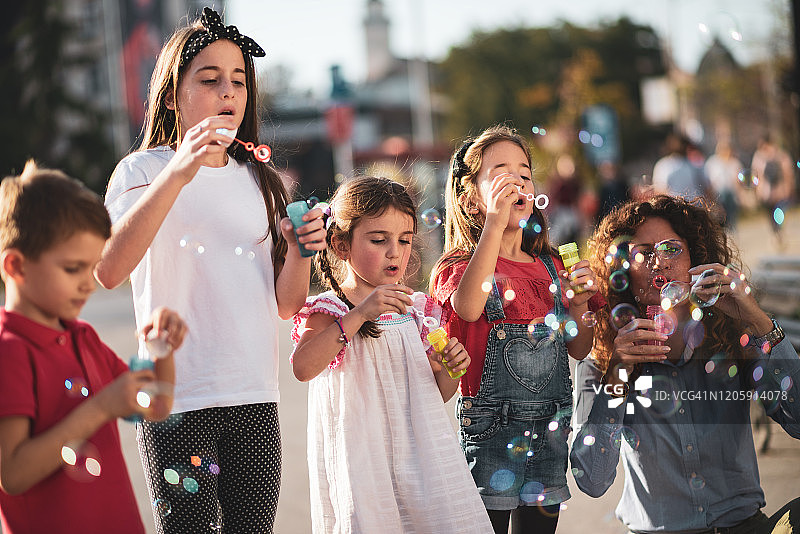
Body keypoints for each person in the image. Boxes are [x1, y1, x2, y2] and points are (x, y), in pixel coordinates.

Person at [95, 8, 327, 533]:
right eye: (210, 79)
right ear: (172, 95)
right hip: (177, 397)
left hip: (254, 395)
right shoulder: (142, 170)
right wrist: (180, 170)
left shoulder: (260, 180)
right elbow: (108, 270)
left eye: (239, 81)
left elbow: (286, 304)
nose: (228, 92)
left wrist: (300, 251)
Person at [570, 194, 800, 533]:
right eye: (643, 253)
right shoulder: (603, 360)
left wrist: (757, 319)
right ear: (623, 272)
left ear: (696, 257)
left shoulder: (733, 336)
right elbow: (591, 479)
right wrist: (617, 377)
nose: (659, 262)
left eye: (672, 249)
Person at [290, 176, 493, 533]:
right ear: (340, 245)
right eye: (378, 240)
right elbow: (303, 367)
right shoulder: (332, 309)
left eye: (404, 240)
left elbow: (435, 395)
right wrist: (359, 314)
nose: (394, 252)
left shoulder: (416, 310)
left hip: (421, 457)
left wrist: (451, 371)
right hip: (363, 461)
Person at [429, 124, 604, 534]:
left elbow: (579, 348)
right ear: (471, 200)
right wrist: (494, 224)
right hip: (490, 432)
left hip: (550, 433)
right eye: (501, 173)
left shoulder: (552, 266)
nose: (517, 182)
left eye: (524, 173)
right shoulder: (460, 266)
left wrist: (579, 304)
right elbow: (468, 306)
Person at [0, 162, 186, 534]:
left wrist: (160, 349)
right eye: (73, 269)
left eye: (91, 268)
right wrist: (101, 407)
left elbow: (156, 404)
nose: (89, 284)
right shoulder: (10, 351)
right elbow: (13, 474)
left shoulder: (83, 338)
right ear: (16, 266)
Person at [751, 135, 795, 248]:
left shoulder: (780, 156)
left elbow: (787, 173)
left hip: (779, 191)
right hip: (767, 192)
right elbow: (756, 175)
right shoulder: (759, 158)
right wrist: (757, 190)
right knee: (771, 214)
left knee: (779, 212)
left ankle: (779, 232)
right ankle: (776, 233)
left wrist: (788, 188)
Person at [651, 133, 711, 201]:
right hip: (692, 205)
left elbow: (659, 191)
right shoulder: (694, 165)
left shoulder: (662, 165)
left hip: (674, 205)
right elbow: (706, 189)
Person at [705, 139, 744, 229]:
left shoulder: (735, 163)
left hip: (731, 195)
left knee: (731, 215)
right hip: (718, 195)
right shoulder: (712, 163)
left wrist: (740, 195)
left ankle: (731, 229)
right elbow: (709, 181)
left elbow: (738, 181)